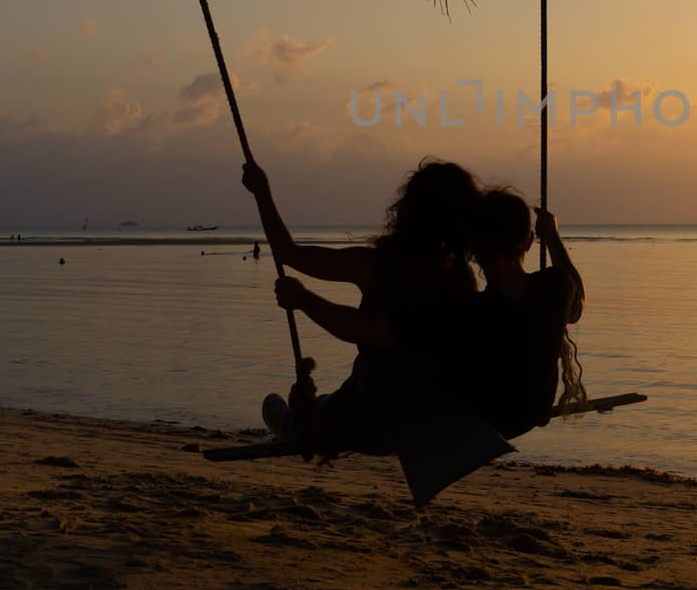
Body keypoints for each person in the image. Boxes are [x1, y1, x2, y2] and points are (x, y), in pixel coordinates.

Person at [269, 187, 585, 446]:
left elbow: (363, 329)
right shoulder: (554, 288)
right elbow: (576, 299)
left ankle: (295, 421)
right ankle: (318, 406)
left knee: (364, 390)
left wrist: (304, 299)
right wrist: (553, 237)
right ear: (528, 241)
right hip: (529, 413)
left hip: (477, 421)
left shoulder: (462, 312)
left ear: (473, 247)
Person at [243, 158, 481, 455]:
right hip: (437, 408)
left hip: (376, 414)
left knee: (276, 407)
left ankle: (293, 421)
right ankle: (307, 410)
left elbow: (289, 254)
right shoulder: (461, 277)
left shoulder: (376, 265)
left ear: (408, 212)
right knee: (320, 403)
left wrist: (262, 193)